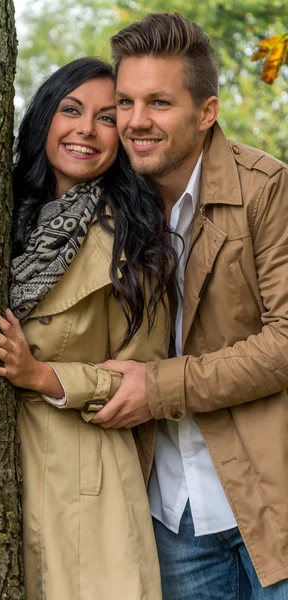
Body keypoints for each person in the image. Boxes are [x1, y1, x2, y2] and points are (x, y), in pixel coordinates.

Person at [91, 11, 288, 600]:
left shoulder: (266, 188)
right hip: (169, 515)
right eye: (125, 103)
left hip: (272, 504)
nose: (136, 121)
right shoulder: (107, 207)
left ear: (207, 112)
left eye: (159, 103)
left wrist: (158, 388)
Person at [0, 57, 175, 600]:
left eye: (107, 117)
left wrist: (40, 374)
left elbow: (145, 380)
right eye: (71, 110)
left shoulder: (139, 239)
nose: (85, 130)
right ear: (45, 118)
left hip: (87, 482)